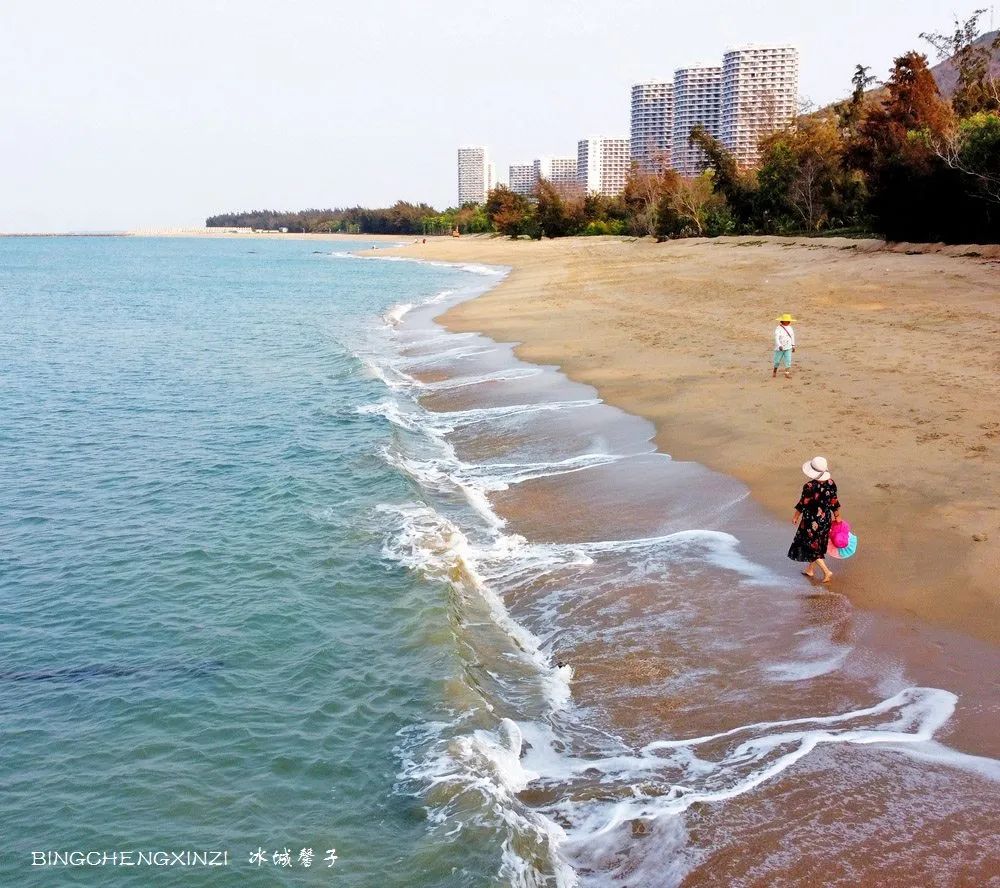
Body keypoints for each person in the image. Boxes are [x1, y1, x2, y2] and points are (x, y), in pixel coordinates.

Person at [788, 456, 841, 583]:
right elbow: (834, 502)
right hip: (825, 520)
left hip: (811, 521)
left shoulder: (809, 486)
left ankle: (827, 572)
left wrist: (795, 516)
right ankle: (810, 570)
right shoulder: (831, 483)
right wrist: (837, 516)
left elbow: (803, 503)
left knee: (810, 546)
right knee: (816, 545)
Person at [773, 313, 796, 379]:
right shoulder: (778, 328)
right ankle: (775, 370)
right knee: (777, 361)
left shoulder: (790, 328)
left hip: (788, 347)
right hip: (780, 348)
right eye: (787, 321)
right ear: (783, 321)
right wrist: (779, 345)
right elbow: (776, 338)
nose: (789, 322)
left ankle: (787, 373)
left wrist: (793, 345)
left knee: (788, 360)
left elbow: (792, 336)